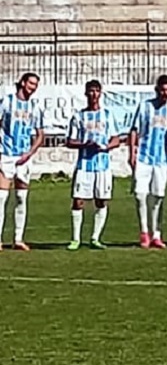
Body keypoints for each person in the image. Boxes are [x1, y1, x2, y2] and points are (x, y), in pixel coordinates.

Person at [66, 80, 122, 250]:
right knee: (78, 200)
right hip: (84, 165)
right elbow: (69, 141)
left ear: (101, 93)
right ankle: (75, 239)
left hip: (103, 166)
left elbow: (116, 139)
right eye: (91, 91)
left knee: (101, 200)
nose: (94, 94)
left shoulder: (107, 115)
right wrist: (85, 145)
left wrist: (105, 147)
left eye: (97, 91)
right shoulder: (79, 116)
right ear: (86, 93)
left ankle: (95, 238)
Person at [129, 75, 167, 249]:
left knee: (158, 197)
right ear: (157, 90)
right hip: (144, 157)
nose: (165, 93)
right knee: (140, 195)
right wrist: (132, 153)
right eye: (162, 90)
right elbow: (134, 130)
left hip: (161, 160)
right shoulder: (145, 106)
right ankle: (144, 232)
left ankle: (156, 233)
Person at [0, 72, 43, 251]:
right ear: (23, 83)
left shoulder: (34, 107)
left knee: (21, 197)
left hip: (24, 157)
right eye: (31, 83)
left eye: (35, 85)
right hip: (6, 153)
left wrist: (30, 153)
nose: (33, 87)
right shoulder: (6, 102)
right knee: (2, 197)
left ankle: (18, 239)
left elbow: (40, 135)